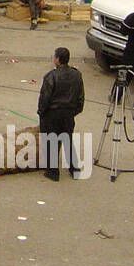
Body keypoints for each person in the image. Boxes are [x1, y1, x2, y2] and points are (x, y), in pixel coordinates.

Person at [37, 46, 85, 181]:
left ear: (57, 59)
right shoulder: (76, 75)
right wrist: (74, 112)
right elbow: (80, 97)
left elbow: (44, 97)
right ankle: (74, 169)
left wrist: (41, 112)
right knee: (67, 140)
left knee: (51, 141)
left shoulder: (51, 76)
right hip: (68, 113)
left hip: (52, 114)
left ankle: (53, 171)